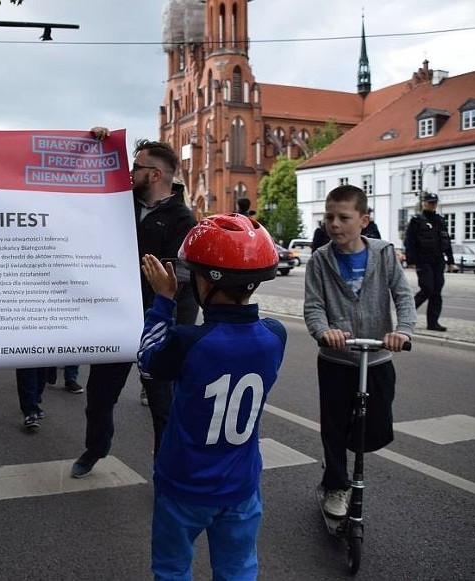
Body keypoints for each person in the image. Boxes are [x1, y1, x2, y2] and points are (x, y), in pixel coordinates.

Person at [138, 213, 285, 580]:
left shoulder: (190, 342)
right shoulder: (275, 336)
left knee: (172, 568)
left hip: (183, 483)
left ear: (205, 283)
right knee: (238, 570)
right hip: (240, 485)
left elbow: (147, 363)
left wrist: (163, 301)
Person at [71, 128, 198, 479]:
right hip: (116, 320)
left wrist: (175, 331)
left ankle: (165, 468)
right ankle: (96, 448)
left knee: (163, 405)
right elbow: (85, 188)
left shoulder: (183, 221)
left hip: (156, 325)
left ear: (155, 175)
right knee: (99, 396)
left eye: (136, 168)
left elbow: (181, 280)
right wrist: (98, 144)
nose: (129, 173)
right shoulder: (120, 202)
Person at [304, 184, 415, 518]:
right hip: (337, 359)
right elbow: (313, 307)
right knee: (334, 425)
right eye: (329, 217)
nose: (334, 224)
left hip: (378, 355)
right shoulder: (320, 260)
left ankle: (338, 456)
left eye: (343, 217)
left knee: (375, 426)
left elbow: (404, 297)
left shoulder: (383, 254)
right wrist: (324, 332)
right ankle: (336, 484)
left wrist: (403, 331)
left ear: (363, 220)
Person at [404, 192, 455, 332]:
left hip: (438, 260)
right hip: (423, 260)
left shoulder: (440, 220)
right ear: (424, 203)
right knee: (427, 288)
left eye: (434, 203)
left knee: (436, 291)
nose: (432, 205)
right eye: (429, 202)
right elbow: (409, 241)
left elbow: (446, 241)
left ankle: (433, 323)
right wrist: (411, 259)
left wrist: (451, 261)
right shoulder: (417, 220)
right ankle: (407, 313)